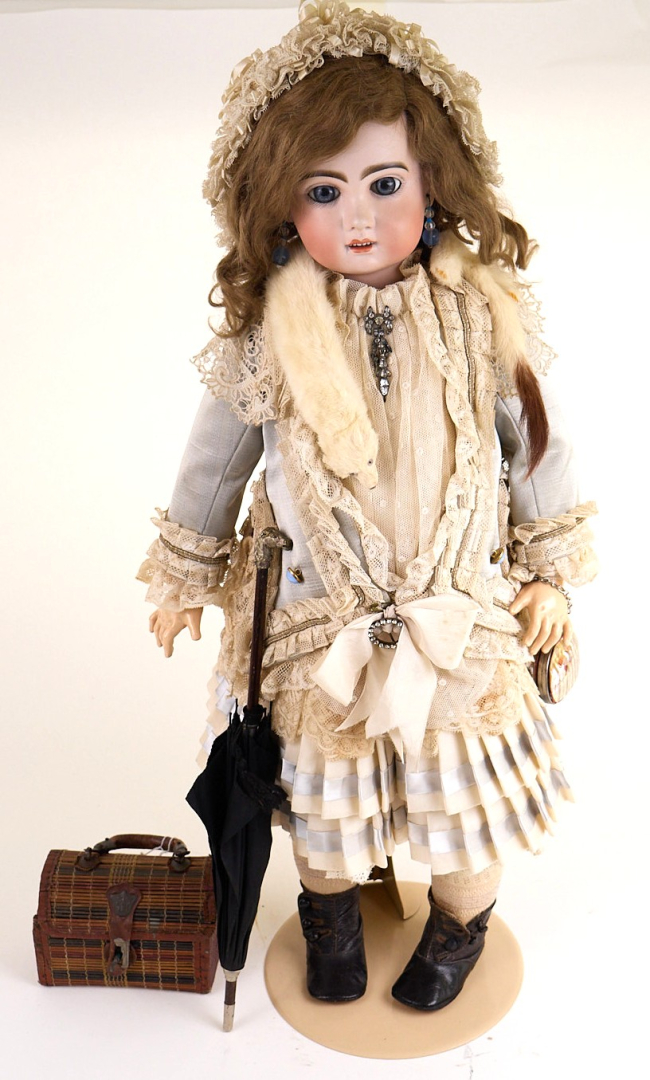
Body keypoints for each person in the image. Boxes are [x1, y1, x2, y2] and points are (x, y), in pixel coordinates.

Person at [138, 1, 597, 1011]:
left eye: (385, 183)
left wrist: (549, 576)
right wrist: (185, 573)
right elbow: (214, 463)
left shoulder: (480, 316)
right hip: (321, 625)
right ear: (280, 207)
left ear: (434, 183)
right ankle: (331, 921)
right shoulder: (268, 337)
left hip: (457, 617)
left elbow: (537, 446)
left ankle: (460, 925)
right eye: (324, 190)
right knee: (327, 823)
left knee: (463, 819)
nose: (358, 216)